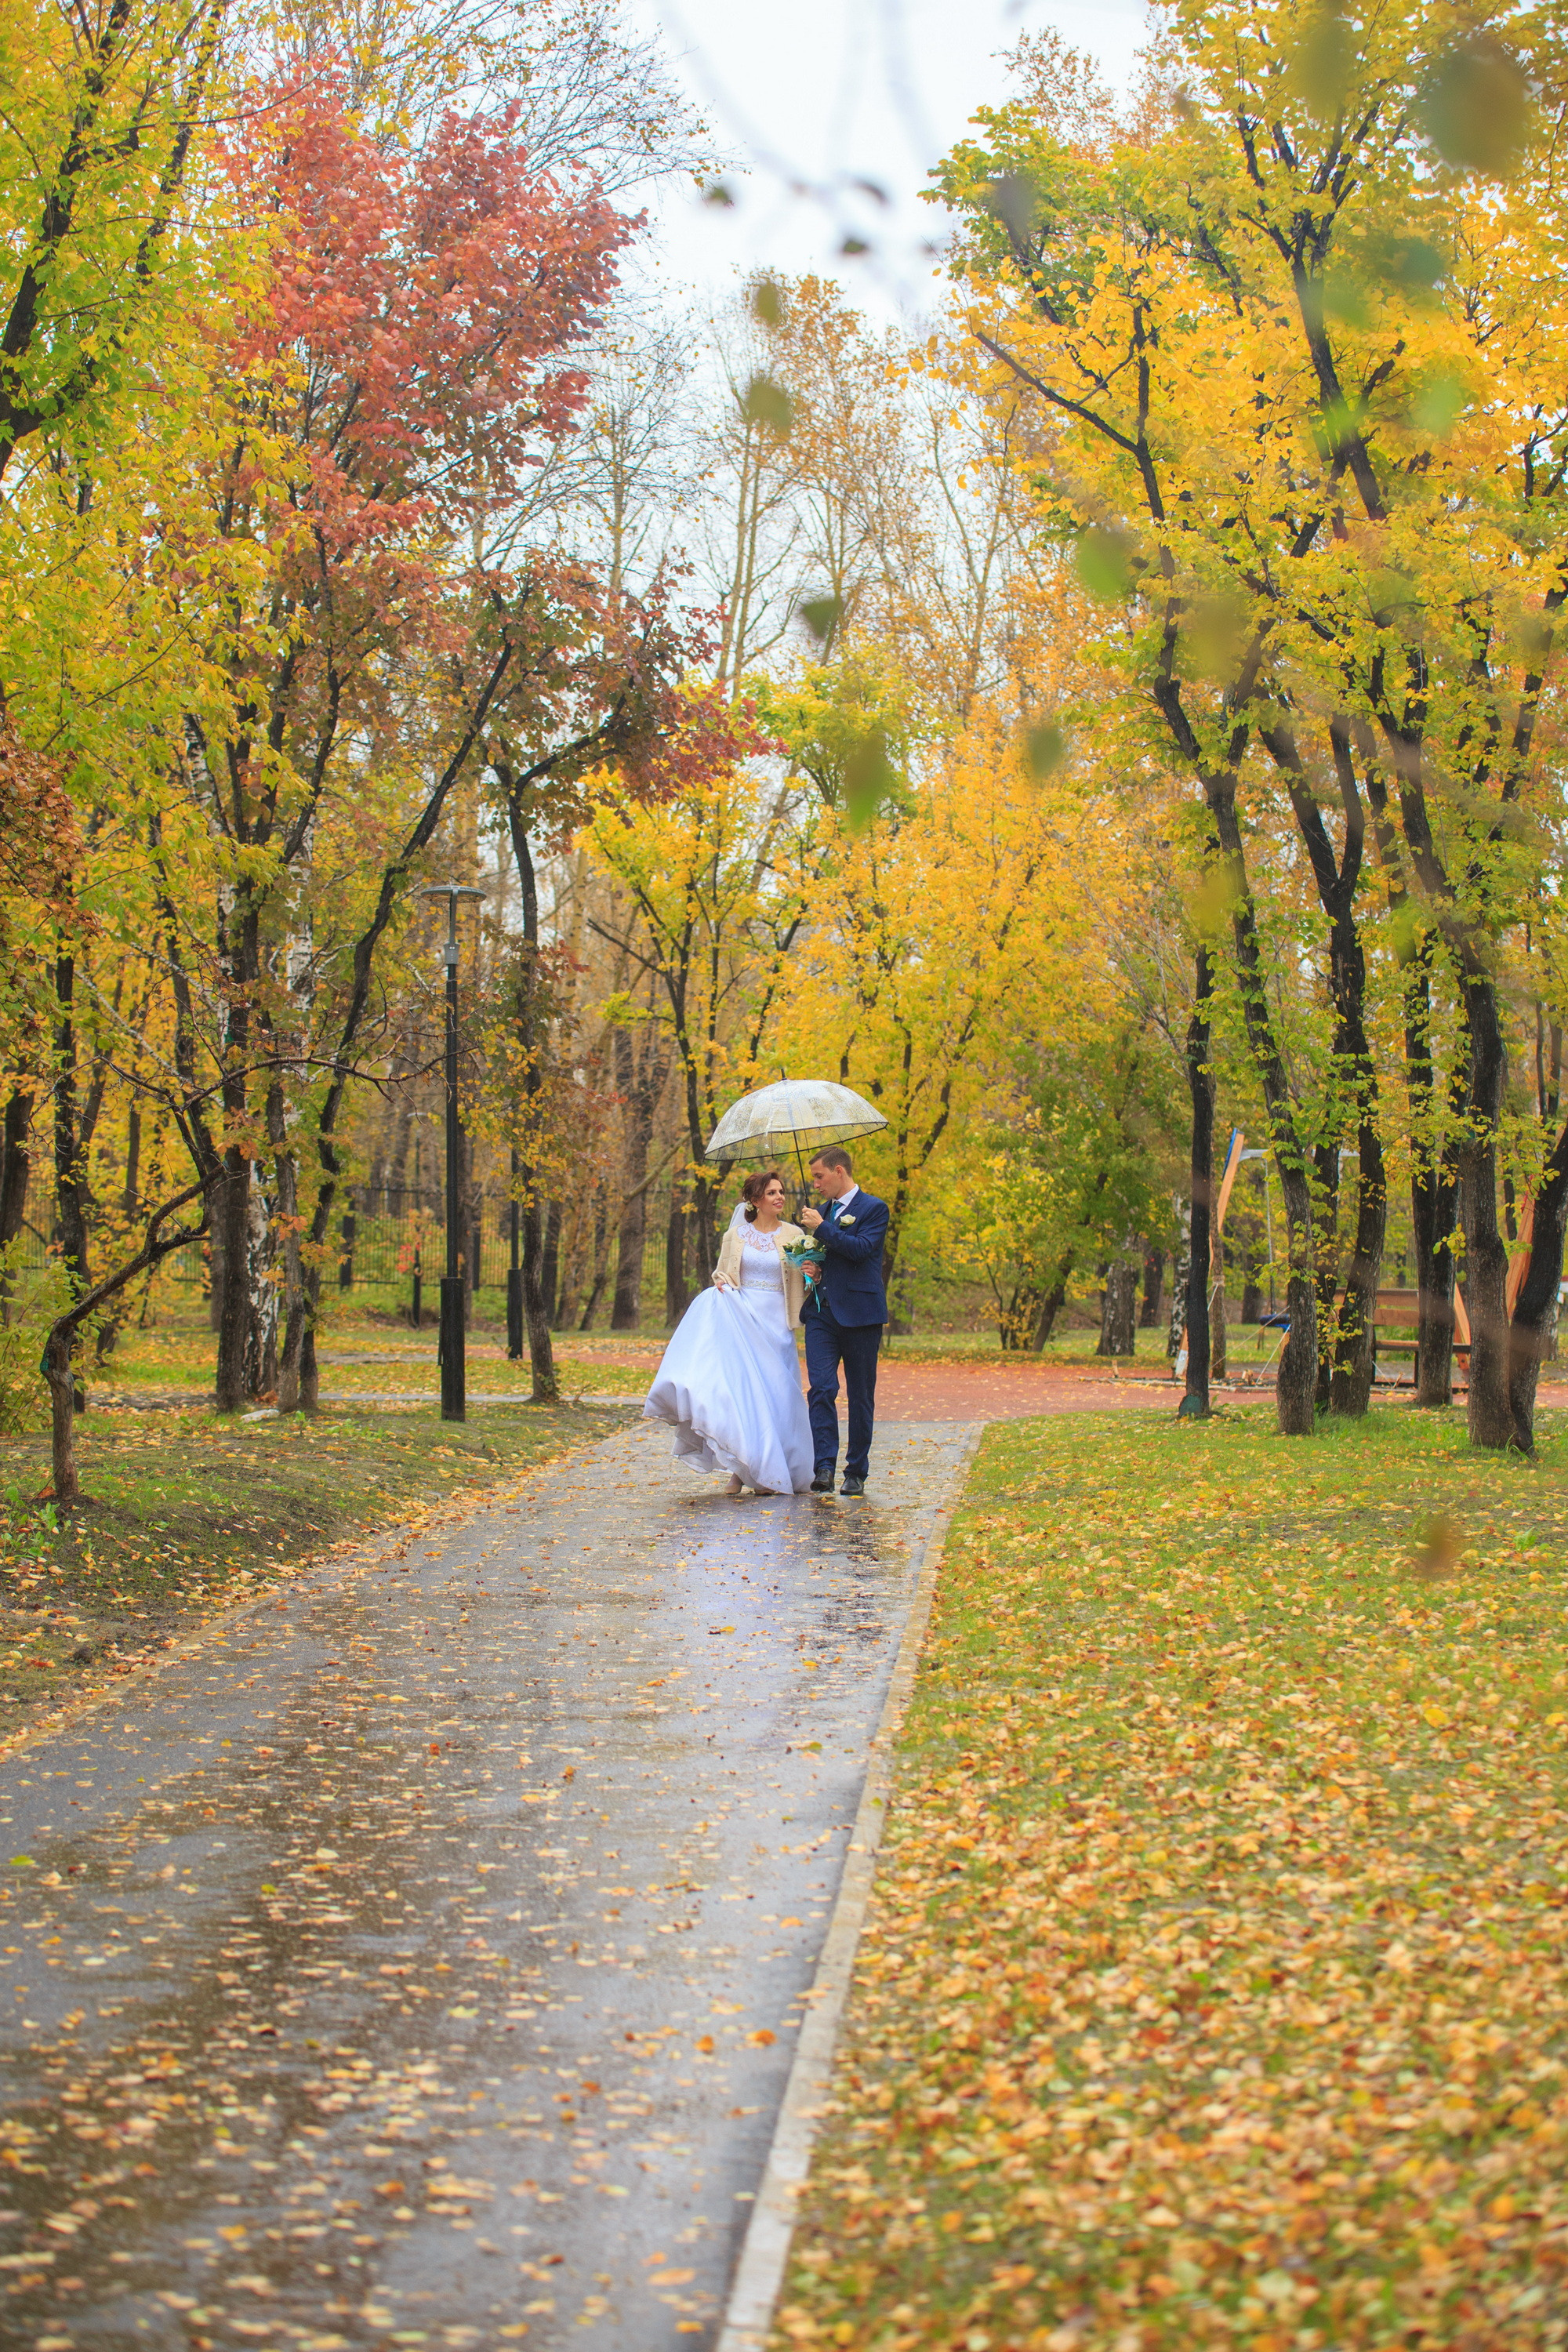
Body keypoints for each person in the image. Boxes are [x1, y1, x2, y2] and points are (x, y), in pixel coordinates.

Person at [642, 1169, 815, 1496]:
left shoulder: (796, 1234)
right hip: (742, 1319)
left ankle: (780, 1467)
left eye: (781, 1192)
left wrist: (811, 1271)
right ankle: (741, 1470)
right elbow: (722, 1272)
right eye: (772, 1193)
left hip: (777, 1322)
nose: (780, 1197)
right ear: (755, 1200)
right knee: (745, 1397)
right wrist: (720, 1282)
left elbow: (806, 1282)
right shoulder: (735, 1236)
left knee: (778, 1396)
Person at [799, 1146, 888, 1497]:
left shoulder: (874, 1208)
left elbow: (861, 1249)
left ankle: (856, 1472)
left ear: (839, 1171)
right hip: (822, 1312)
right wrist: (814, 1270)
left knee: (861, 1395)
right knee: (821, 1388)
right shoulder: (820, 1213)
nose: (816, 1184)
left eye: (820, 1176)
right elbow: (829, 1259)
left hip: (862, 1316)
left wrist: (823, 1228)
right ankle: (824, 1466)